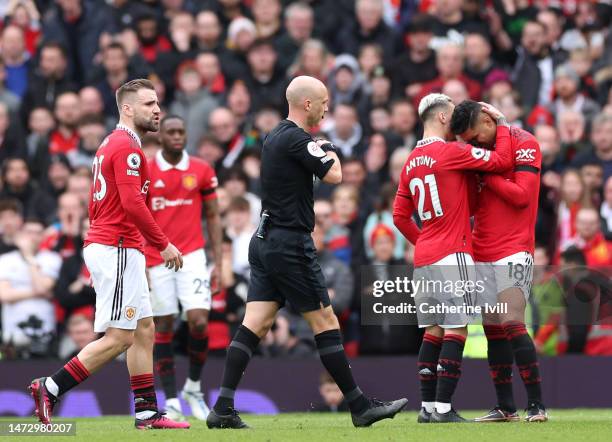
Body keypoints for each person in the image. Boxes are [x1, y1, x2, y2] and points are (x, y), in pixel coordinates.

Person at [206, 75, 407, 429]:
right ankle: (359, 406)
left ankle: (222, 406)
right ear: (308, 104)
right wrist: (329, 148)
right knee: (325, 321)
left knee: (257, 322)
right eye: (325, 102)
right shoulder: (298, 138)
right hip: (288, 242)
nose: (328, 108)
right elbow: (334, 176)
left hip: (265, 239)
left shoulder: (273, 137)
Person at [28, 79, 188, 430]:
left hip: (121, 247)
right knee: (120, 336)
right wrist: (162, 243)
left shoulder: (113, 143)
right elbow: (132, 204)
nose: (157, 109)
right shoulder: (127, 147)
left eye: (157, 103)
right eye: (148, 104)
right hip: (115, 246)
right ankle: (50, 388)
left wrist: (139, 252)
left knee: (144, 328)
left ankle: (147, 412)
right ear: (127, 108)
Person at [393, 94, 513, 423]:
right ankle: (445, 408)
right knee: (456, 329)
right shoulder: (451, 152)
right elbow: (501, 161)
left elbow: (399, 216)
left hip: (425, 257)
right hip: (452, 253)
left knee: (432, 331)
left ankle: (428, 408)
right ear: (444, 118)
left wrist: (425, 241)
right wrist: (501, 124)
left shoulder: (409, 161)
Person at [450, 100, 548, 422]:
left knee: (512, 321)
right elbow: (475, 206)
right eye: (468, 142)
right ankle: (506, 407)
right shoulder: (480, 153)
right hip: (481, 248)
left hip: (515, 247)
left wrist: (486, 172)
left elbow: (521, 196)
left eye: (476, 138)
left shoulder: (525, 143)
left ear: (491, 123)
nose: (474, 146)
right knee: (492, 329)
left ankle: (536, 405)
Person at [146, 115, 222, 422]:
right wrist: (141, 261)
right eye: (171, 132)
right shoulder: (147, 170)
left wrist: (218, 260)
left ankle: (193, 387)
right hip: (156, 257)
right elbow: (137, 217)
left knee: (199, 322)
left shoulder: (201, 169)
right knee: (162, 326)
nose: (177, 136)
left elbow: (214, 216)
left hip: (192, 256)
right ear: (161, 137)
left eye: (181, 131)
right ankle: (172, 399)